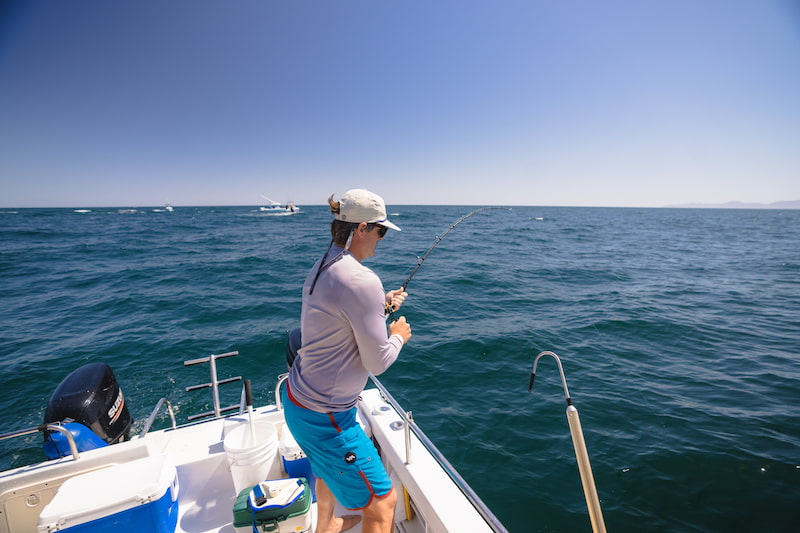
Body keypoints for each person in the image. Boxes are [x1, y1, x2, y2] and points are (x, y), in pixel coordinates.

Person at [283, 189, 412, 533]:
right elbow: (379, 361)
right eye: (380, 231)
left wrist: (380, 305)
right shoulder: (361, 279)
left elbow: (338, 317)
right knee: (383, 503)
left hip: (298, 400)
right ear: (362, 228)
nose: (382, 239)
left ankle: (325, 527)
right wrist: (398, 334)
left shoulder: (325, 262)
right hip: (327, 418)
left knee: (325, 469)